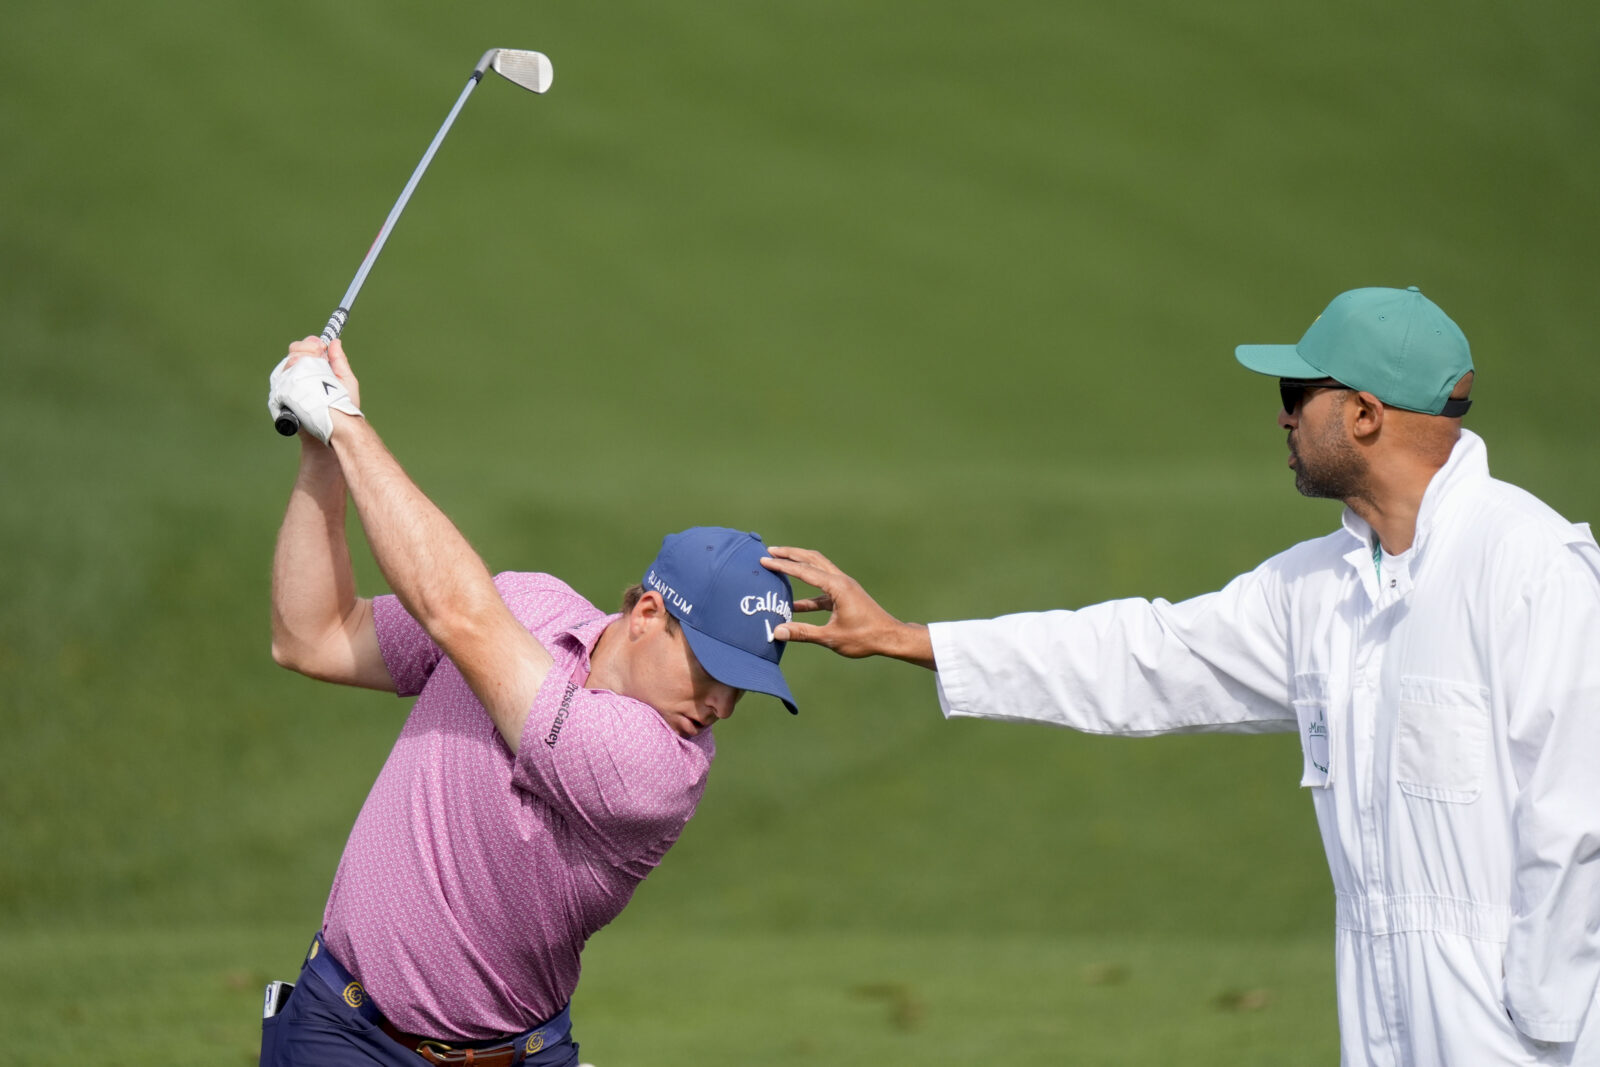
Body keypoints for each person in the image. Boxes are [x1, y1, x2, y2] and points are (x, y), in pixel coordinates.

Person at [762, 286, 1600, 1065]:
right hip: (1385, 1027)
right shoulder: (1315, 587)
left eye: (1294, 396)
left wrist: (1542, 1026)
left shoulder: (1533, 570)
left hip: (1524, 1035)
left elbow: (1577, 822)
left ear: (1366, 413)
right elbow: (1144, 655)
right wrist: (915, 639)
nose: (1280, 419)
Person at [260, 336, 800, 1066]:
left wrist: (344, 420)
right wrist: (321, 449)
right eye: (711, 671)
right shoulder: (531, 603)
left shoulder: (661, 770)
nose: (723, 707)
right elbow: (313, 634)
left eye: (743, 688)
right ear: (646, 614)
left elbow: (461, 614)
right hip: (341, 1031)